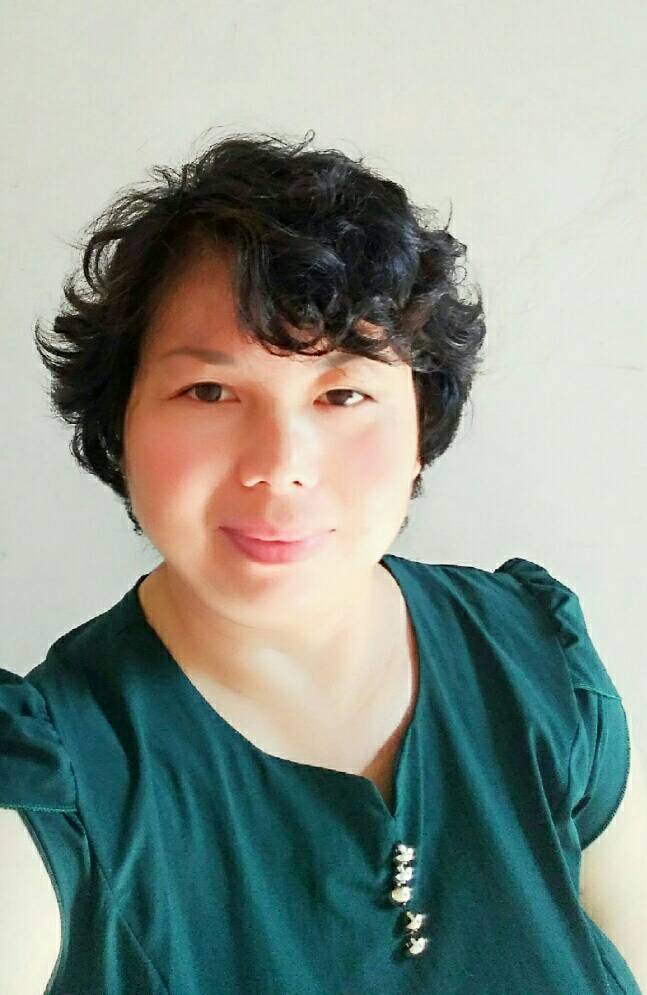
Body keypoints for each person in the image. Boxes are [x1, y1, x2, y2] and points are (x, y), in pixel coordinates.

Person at [1, 131, 643, 994]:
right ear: (120, 423)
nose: (280, 463)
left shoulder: (534, 658)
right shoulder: (52, 776)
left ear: (420, 422)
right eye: (209, 391)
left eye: (342, 393)